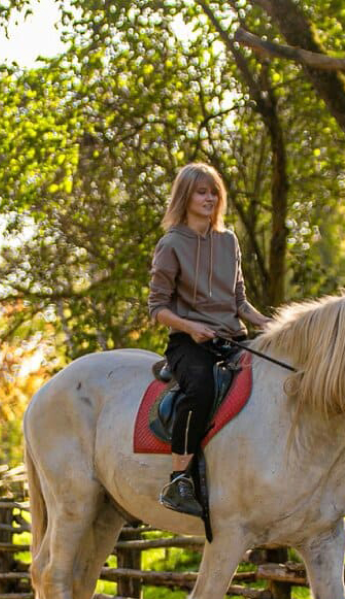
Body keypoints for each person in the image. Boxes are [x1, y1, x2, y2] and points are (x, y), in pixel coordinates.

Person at [148, 163, 270, 516]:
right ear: (185, 196)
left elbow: (239, 300)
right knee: (199, 388)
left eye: (214, 192)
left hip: (234, 338)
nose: (209, 198)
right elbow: (156, 307)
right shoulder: (171, 244)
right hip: (190, 343)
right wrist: (189, 327)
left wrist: (268, 321)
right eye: (202, 192)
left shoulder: (228, 241)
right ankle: (179, 478)